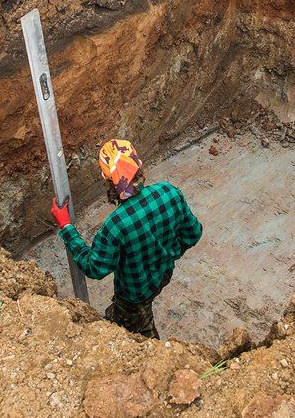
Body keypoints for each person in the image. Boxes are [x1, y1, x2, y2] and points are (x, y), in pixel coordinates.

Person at [50, 139, 202, 338]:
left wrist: (66, 226)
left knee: (136, 330)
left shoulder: (116, 225)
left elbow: (94, 268)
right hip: (164, 274)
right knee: (139, 309)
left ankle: (152, 345)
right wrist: (165, 254)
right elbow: (193, 233)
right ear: (138, 164)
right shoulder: (169, 192)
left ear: (105, 176)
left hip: (134, 296)